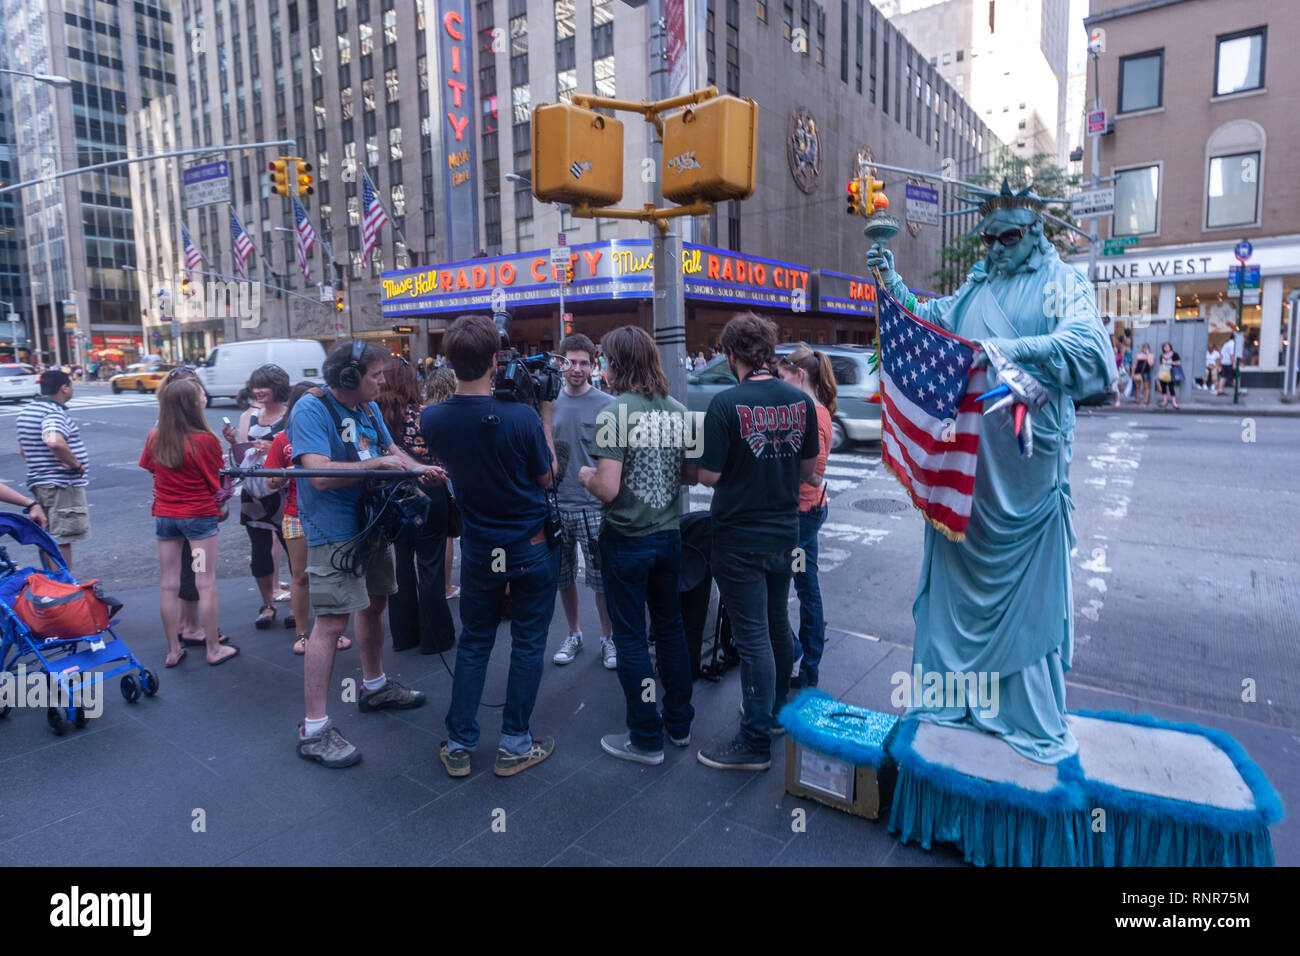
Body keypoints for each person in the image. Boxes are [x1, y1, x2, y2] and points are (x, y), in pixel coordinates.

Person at [866, 178, 1113, 763]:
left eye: (1007, 238)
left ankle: (1023, 714)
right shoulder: (978, 287)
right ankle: (951, 702)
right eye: (988, 240)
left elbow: (1092, 353)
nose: (995, 250)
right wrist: (891, 282)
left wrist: (1013, 349)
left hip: (1024, 483)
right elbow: (932, 323)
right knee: (948, 598)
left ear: (1035, 232)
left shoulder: (1062, 284)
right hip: (966, 476)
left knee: (1027, 608)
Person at [291, 340, 443, 768]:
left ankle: (374, 687)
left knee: (376, 605)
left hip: (374, 522)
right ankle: (314, 729)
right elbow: (317, 474)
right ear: (349, 377)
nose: (383, 381)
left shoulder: (368, 407)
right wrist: (377, 466)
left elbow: (390, 450)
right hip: (334, 531)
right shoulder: (311, 408)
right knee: (331, 622)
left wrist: (417, 469)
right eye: (376, 375)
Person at [421, 314, 560, 779]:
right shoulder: (522, 417)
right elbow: (547, 477)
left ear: (448, 361)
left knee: (475, 641)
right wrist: (542, 413)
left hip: (481, 548)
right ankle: (515, 743)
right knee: (527, 643)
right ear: (496, 360)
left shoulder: (433, 418)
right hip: (530, 544)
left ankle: (460, 742)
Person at [696, 313, 820, 771]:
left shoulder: (727, 404)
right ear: (767, 351)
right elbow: (808, 469)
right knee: (774, 624)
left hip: (738, 537)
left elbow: (709, 475)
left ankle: (754, 742)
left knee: (753, 641)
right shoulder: (800, 401)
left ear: (731, 354)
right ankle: (773, 717)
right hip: (784, 532)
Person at [579, 325, 697, 764]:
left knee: (629, 638)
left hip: (626, 539)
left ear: (617, 364)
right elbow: (693, 474)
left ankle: (646, 738)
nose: (601, 368)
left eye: (604, 360)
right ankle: (679, 725)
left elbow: (607, 488)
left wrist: (585, 475)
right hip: (668, 537)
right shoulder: (681, 411)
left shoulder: (613, 413)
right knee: (670, 629)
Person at [139, 378, 239, 668]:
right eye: (201, 395)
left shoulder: (155, 435)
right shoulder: (205, 440)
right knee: (204, 582)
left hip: (166, 518)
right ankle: (212, 648)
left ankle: (173, 649)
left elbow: (150, 469)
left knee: (168, 584)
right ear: (193, 404)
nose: (205, 398)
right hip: (198, 519)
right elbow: (216, 482)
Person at [265, 383, 353, 655]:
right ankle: (303, 633)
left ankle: (331, 632)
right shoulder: (282, 439)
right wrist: (287, 472)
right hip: (295, 514)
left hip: (327, 514)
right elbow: (269, 481)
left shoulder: (328, 433)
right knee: (301, 576)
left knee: (330, 574)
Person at [377, 356, 456, 655]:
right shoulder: (424, 415)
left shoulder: (375, 419)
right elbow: (444, 454)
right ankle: (435, 637)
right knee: (431, 565)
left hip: (390, 494)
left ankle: (404, 635)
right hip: (428, 490)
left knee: (401, 566)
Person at [549, 333, 616, 669]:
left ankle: (608, 637)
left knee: (601, 578)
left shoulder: (606, 403)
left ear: (593, 365)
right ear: (561, 363)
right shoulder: (548, 404)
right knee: (562, 578)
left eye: (583, 363)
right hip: (557, 506)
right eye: (570, 362)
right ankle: (574, 633)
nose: (576, 369)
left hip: (593, 506)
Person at [778, 344, 836, 689]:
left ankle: (798, 653)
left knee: (786, 587)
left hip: (801, 514)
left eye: (784, 378)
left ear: (800, 376)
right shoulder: (813, 409)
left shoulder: (810, 414)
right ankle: (807, 662)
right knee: (805, 585)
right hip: (810, 510)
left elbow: (814, 472)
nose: (780, 384)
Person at [16, 370, 89, 572]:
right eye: (71, 385)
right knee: (62, 537)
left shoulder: (28, 411)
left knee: (50, 535)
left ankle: (54, 584)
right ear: (63, 388)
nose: (72, 389)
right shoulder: (52, 412)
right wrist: (76, 465)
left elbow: (24, 450)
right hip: (60, 484)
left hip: (41, 481)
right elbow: (53, 440)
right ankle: (62, 589)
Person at [424, 367, 461, 599]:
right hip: (452, 477)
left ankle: (440, 584)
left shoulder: (425, 413)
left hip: (428, 478)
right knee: (451, 533)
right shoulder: (454, 412)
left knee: (440, 534)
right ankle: (446, 586)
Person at [1156, 341, 1182, 410]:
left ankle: (1174, 403)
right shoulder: (1162, 355)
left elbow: (1179, 363)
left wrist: (1171, 363)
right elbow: (1160, 365)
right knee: (1163, 387)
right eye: (1164, 347)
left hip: (1171, 373)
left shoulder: (1174, 354)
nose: (1166, 348)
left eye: (1167, 346)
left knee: (1171, 388)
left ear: (1170, 347)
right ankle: (1165, 401)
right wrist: (1158, 373)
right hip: (1163, 372)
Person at [1218, 329, 1237, 396]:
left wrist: (1220, 364)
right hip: (1229, 363)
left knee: (1223, 377)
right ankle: (1237, 391)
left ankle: (1220, 391)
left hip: (1224, 362)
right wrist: (1234, 364)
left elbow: (1221, 354)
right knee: (1235, 377)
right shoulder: (1233, 344)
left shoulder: (1226, 343)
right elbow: (1231, 355)